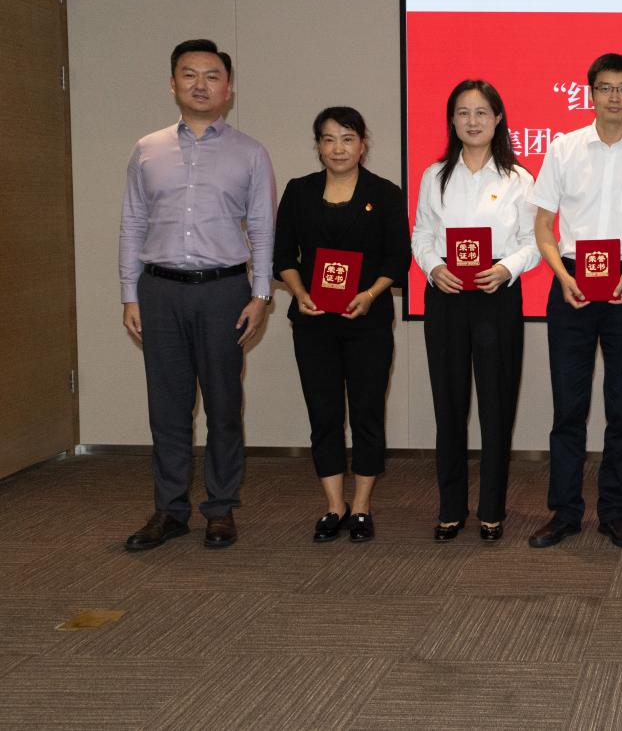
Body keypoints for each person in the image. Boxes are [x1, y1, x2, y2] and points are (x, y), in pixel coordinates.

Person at [120, 39, 275, 551]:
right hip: (159, 291)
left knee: (224, 406)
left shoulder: (250, 152)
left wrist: (260, 295)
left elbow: (262, 227)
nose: (200, 85)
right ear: (173, 84)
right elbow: (133, 223)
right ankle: (169, 511)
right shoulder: (147, 149)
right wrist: (129, 294)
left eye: (212, 76)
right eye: (189, 75)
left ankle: (220, 508)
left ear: (228, 89)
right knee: (167, 408)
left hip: (224, 291)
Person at [527, 53, 622, 549]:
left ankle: (615, 513)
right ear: (590, 93)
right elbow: (543, 225)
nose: (615, 97)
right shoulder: (563, 148)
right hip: (570, 281)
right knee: (568, 407)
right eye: (606, 87)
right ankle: (565, 512)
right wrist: (560, 274)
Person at [273, 107, 410, 543]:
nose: (338, 148)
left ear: (362, 144)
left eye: (347, 138)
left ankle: (362, 505)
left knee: (367, 412)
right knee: (324, 413)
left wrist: (370, 295)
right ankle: (334, 505)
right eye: (329, 139)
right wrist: (299, 292)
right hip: (313, 322)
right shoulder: (298, 191)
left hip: (367, 322)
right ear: (317, 145)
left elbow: (398, 259)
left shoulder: (384, 193)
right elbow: (282, 256)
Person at [412, 80, 538, 542]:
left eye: (482, 112)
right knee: (449, 406)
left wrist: (506, 268)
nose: (472, 121)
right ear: (451, 120)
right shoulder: (435, 176)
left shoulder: (519, 179)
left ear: (498, 118)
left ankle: (491, 509)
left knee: (496, 406)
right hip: (446, 296)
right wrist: (433, 267)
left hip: (496, 296)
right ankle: (450, 507)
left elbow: (533, 243)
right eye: (463, 113)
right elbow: (421, 234)